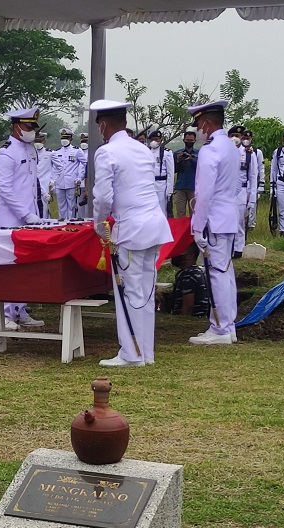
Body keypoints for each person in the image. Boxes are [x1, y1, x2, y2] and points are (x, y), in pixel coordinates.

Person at [90, 99, 173, 367]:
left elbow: (103, 197)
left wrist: (99, 224)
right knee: (145, 293)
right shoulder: (142, 149)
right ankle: (145, 352)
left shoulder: (107, 152)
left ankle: (131, 354)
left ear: (103, 125)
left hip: (132, 229)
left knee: (130, 291)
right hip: (154, 225)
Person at [186, 100, 239, 345]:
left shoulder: (210, 150)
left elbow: (204, 193)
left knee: (216, 274)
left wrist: (197, 226)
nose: (198, 130)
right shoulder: (230, 147)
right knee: (225, 273)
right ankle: (228, 325)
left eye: (198, 125)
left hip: (214, 220)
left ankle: (220, 328)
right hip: (228, 216)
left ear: (206, 123)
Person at [0, 108, 46, 330]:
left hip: (29, 216)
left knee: (25, 266)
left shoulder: (30, 149)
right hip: (10, 218)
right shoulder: (6, 153)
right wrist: (25, 214)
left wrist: (34, 214)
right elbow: (5, 190)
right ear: (16, 127)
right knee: (8, 266)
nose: (31, 131)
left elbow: (31, 185)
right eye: (27, 127)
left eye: (33, 127)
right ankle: (6, 313)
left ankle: (20, 310)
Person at [227, 125, 258, 258]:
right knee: (226, 220)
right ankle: (227, 247)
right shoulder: (223, 152)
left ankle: (239, 248)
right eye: (232, 135)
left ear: (242, 137)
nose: (235, 138)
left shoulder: (249, 154)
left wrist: (252, 198)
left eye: (237, 136)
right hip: (225, 191)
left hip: (242, 191)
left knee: (239, 220)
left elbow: (253, 176)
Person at [51, 127, 86, 219]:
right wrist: (53, 180)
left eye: (66, 138)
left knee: (72, 207)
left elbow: (85, 164)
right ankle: (62, 223)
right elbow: (54, 168)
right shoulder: (56, 152)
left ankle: (71, 223)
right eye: (62, 138)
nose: (64, 140)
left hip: (72, 183)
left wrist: (80, 177)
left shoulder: (77, 151)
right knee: (61, 207)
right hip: (59, 183)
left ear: (71, 139)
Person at [170, 243, 209, 317]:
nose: (176, 254)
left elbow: (188, 305)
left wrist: (182, 320)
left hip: (190, 319)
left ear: (190, 256)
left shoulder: (188, 274)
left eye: (180, 251)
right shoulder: (198, 272)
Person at [172, 131, 199, 217]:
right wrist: (178, 161)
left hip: (194, 187)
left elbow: (201, 169)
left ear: (195, 140)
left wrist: (192, 159)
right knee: (180, 213)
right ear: (184, 140)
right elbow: (173, 170)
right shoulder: (177, 153)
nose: (189, 142)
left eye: (191, 140)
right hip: (180, 187)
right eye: (187, 140)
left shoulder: (199, 153)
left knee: (194, 214)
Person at [147, 130, 174, 215]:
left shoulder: (166, 152)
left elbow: (170, 173)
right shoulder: (146, 151)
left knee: (162, 210)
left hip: (161, 185)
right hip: (149, 184)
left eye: (156, 139)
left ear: (160, 140)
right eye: (152, 139)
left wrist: (169, 191)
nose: (154, 141)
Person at [242, 130, 264, 229]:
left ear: (251, 139)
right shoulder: (237, 151)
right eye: (244, 138)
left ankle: (251, 225)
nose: (246, 140)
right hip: (242, 183)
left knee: (252, 205)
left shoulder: (257, 152)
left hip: (253, 182)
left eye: (248, 138)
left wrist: (261, 183)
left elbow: (261, 168)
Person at [33, 130, 52, 219]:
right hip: (33, 184)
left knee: (45, 208)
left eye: (39, 141)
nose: (38, 143)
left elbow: (59, 167)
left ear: (44, 141)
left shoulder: (49, 153)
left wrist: (53, 180)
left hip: (45, 184)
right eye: (36, 141)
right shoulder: (31, 153)